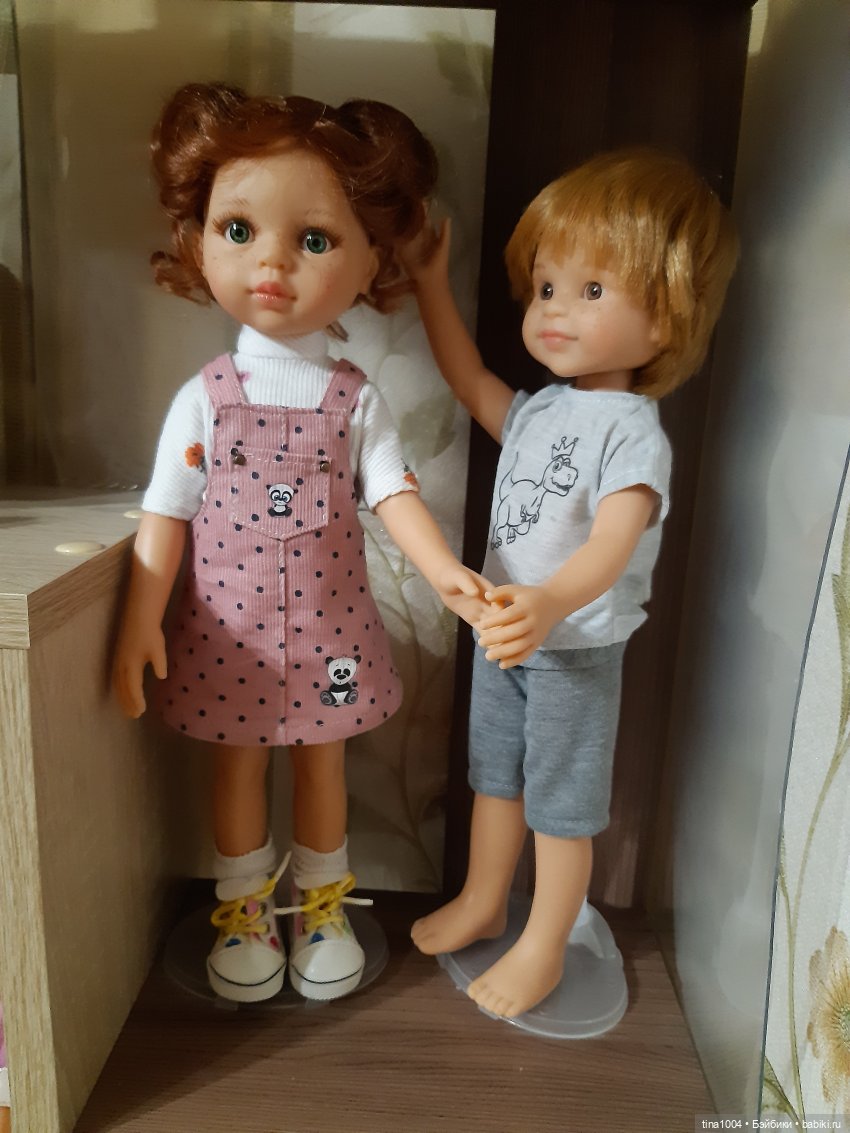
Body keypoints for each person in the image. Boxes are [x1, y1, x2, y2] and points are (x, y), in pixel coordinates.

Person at [113, 83, 488, 1005]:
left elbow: (393, 490)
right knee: (237, 764)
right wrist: (139, 619)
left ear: (370, 262)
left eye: (314, 239)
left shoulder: (354, 398)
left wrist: (446, 573)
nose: (273, 262)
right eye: (239, 229)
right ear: (199, 238)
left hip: (330, 634)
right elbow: (167, 510)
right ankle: (244, 912)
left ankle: (323, 909)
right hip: (228, 634)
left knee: (326, 763)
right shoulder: (205, 397)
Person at [402, 148, 738, 1019]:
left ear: (668, 315)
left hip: (574, 652)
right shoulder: (544, 409)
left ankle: (546, 943)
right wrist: (432, 284)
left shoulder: (634, 432)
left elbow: (616, 544)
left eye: (592, 290)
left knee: (562, 807)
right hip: (503, 636)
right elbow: (469, 379)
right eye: (546, 287)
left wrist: (549, 601)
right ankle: (484, 901)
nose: (553, 310)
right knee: (494, 779)